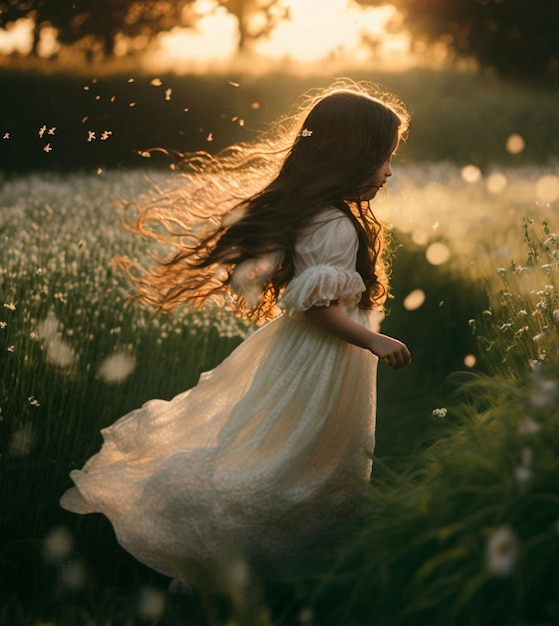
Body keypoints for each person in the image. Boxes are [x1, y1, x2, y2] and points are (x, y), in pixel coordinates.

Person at [60, 80, 412, 590]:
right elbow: (317, 308)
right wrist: (374, 341)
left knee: (284, 447)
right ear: (351, 155)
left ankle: (255, 567)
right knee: (299, 457)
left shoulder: (321, 214)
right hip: (321, 360)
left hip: (306, 356)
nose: (388, 170)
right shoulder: (333, 223)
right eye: (383, 156)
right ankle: (248, 559)